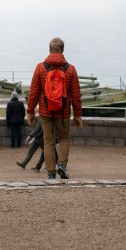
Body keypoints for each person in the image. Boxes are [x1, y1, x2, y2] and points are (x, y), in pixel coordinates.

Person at [26, 37, 82, 179]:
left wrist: (30, 112)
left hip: (46, 112)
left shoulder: (40, 68)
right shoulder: (71, 69)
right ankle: (62, 164)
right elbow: (76, 95)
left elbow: (34, 92)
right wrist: (77, 115)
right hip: (63, 112)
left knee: (48, 141)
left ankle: (51, 173)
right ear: (63, 50)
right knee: (64, 138)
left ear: (49, 50)